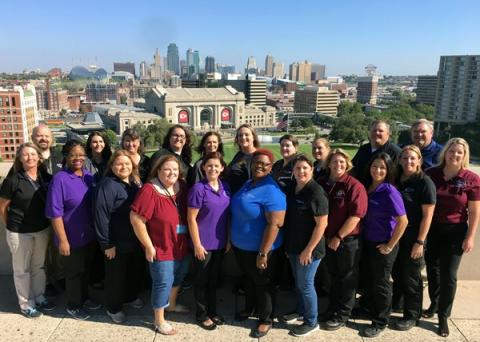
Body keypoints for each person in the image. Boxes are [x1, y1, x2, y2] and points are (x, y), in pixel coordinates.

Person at [424, 138, 480, 337]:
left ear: (464, 156)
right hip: (432, 230)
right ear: (445, 153)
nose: (455, 155)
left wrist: (470, 236)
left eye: (459, 152)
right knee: (432, 271)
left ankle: (443, 316)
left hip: (455, 232)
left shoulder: (471, 179)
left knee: (449, 276)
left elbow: (474, 211)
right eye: (452, 151)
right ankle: (434, 304)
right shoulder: (431, 174)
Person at [130, 155, 191, 335]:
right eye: (166, 169)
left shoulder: (182, 186)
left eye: (174, 169)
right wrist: (149, 246)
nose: (171, 172)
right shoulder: (150, 190)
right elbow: (136, 219)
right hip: (161, 246)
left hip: (181, 245)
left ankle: (171, 305)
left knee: (178, 276)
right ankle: (159, 320)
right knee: (162, 282)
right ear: (158, 170)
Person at [230, 149, 286, 338]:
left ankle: (266, 319)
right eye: (256, 163)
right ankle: (250, 308)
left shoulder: (272, 190)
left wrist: (263, 253)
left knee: (264, 284)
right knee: (249, 279)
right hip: (241, 246)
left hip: (261, 249)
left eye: (264, 164)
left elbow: (275, 223)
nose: (259, 166)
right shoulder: (249, 183)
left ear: (271, 167)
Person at [45, 140, 101, 320]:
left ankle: (84, 299)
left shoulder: (88, 177)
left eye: (81, 155)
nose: (78, 158)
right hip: (71, 238)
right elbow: (55, 212)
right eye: (73, 155)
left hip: (89, 236)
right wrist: (62, 240)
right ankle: (74, 306)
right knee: (74, 274)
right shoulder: (59, 179)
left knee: (85, 271)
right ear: (66, 157)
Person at [0, 143, 54, 318]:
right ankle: (26, 304)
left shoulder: (45, 178)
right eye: (25, 154)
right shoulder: (13, 180)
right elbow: (2, 208)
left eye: (33, 154)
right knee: (22, 269)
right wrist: (12, 227)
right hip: (19, 232)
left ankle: (39, 297)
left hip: (42, 229)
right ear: (20, 158)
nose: (30, 157)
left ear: (39, 157)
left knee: (39, 266)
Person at [316, 149, 368, 331]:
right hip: (327, 238)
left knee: (347, 279)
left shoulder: (354, 185)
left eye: (342, 162)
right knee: (334, 277)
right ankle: (332, 309)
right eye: (335, 161)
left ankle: (343, 314)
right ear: (328, 164)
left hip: (347, 241)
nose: (338, 165)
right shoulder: (322, 183)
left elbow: (356, 216)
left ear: (347, 165)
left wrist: (338, 237)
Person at [93, 150, 144, 323]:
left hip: (134, 239)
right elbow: (101, 217)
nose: (124, 167)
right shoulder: (107, 185)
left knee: (132, 272)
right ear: (112, 166)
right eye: (119, 164)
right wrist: (107, 244)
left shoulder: (134, 183)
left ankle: (129, 297)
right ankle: (113, 308)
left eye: (127, 164)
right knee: (115, 277)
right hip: (116, 242)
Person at [361, 153, 408, 337]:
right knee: (370, 280)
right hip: (368, 241)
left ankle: (381, 321)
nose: (377, 170)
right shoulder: (369, 187)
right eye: (374, 166)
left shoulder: (389, 190)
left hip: (384, 244)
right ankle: (370, 309)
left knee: (381, 283)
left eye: (382, 167)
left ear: (388, 170)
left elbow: (402, 221)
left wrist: (389, 246)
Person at [283, 155, 328, 337]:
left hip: (310, 249)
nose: (301, 171)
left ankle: (311, 321)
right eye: (298, 168)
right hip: (294, 246)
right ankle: (301, 311)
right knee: (299, 283)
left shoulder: (316, 192)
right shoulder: (293, 189)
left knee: (306, 285)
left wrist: (308, 250)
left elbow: (321, 225)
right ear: (293, 172)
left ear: (311, 169)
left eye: (305, 168)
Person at [392, 145, 436, 331]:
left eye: (412, 158)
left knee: (411, 277)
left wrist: (420, 242)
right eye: (405, 158)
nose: (408, 161)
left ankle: (412, 315)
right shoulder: (397, 179)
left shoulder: (425, 183)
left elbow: (428, 216)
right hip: (396, 234)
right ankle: (399, 304)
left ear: (419, 160)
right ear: (400, 160)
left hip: (414, 235)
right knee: (397, 272)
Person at [187, 152, 230, 330]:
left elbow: (227, 216)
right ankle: (202, 314)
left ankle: (212, 311)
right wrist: (197, 244)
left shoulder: (225, 187)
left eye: (216, 166)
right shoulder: (198, 188)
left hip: (220, 243)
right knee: (202, 281)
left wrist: (228, 239)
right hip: (203, 245)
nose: (213, 168)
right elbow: (191, 219)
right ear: (203, 168)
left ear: (222, 168)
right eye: (209, 165)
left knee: (214, 281)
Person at [351, 120, 401, 184]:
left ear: (388, 133)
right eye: (374, 130)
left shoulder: (395, 152)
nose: (377, 133)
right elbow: (352, 167)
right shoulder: (363, 148)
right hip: (360, 190)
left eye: (380, 131)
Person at [227, 124, 259, 195]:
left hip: (246, 200)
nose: (243, 137)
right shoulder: (240, 154)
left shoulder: (258, 157)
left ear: (253, 137)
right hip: (235, 198)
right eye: (240, 135)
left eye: (247, 134)